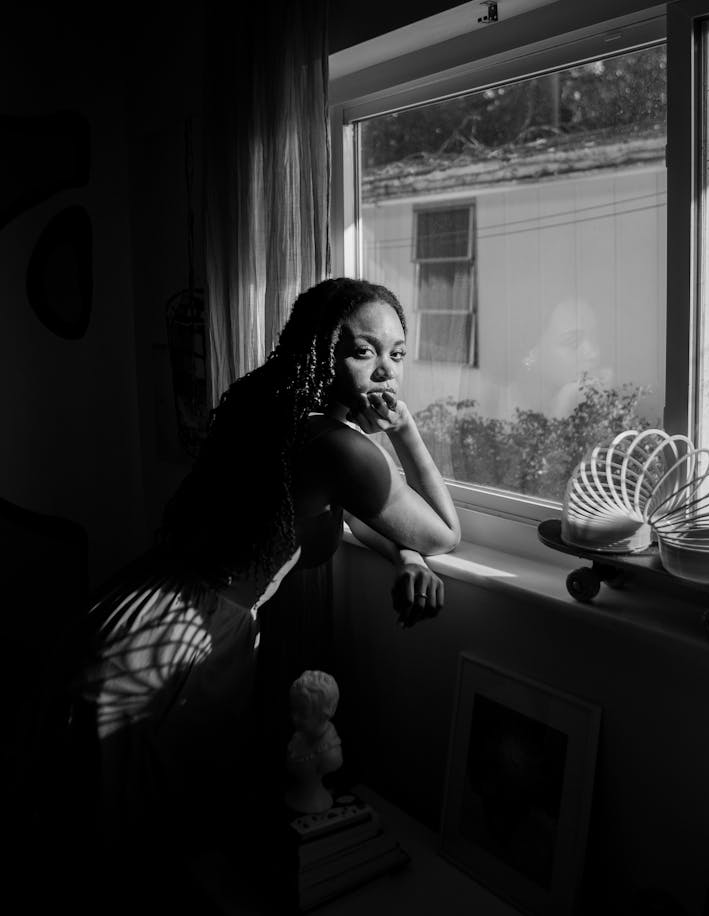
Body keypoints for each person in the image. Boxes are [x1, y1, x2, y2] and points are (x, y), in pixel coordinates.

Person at [38, 276, 460, 914]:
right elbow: (447, 533)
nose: (385, 372)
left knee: (98, 836)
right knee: (139, 846)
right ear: (321, 352)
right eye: (363, 351)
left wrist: (402, 552)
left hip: (136, 605)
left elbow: (333, 514)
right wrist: (405, 432)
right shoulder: (342, 446)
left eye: (397, 354)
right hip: (178, 646)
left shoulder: (266, 410)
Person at [284, 670, 343, 814]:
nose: (294, 718)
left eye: (302, 713)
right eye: (294, 710)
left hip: (315, 803)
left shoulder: (330, 754)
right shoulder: (300, 736)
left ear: (324, 714)